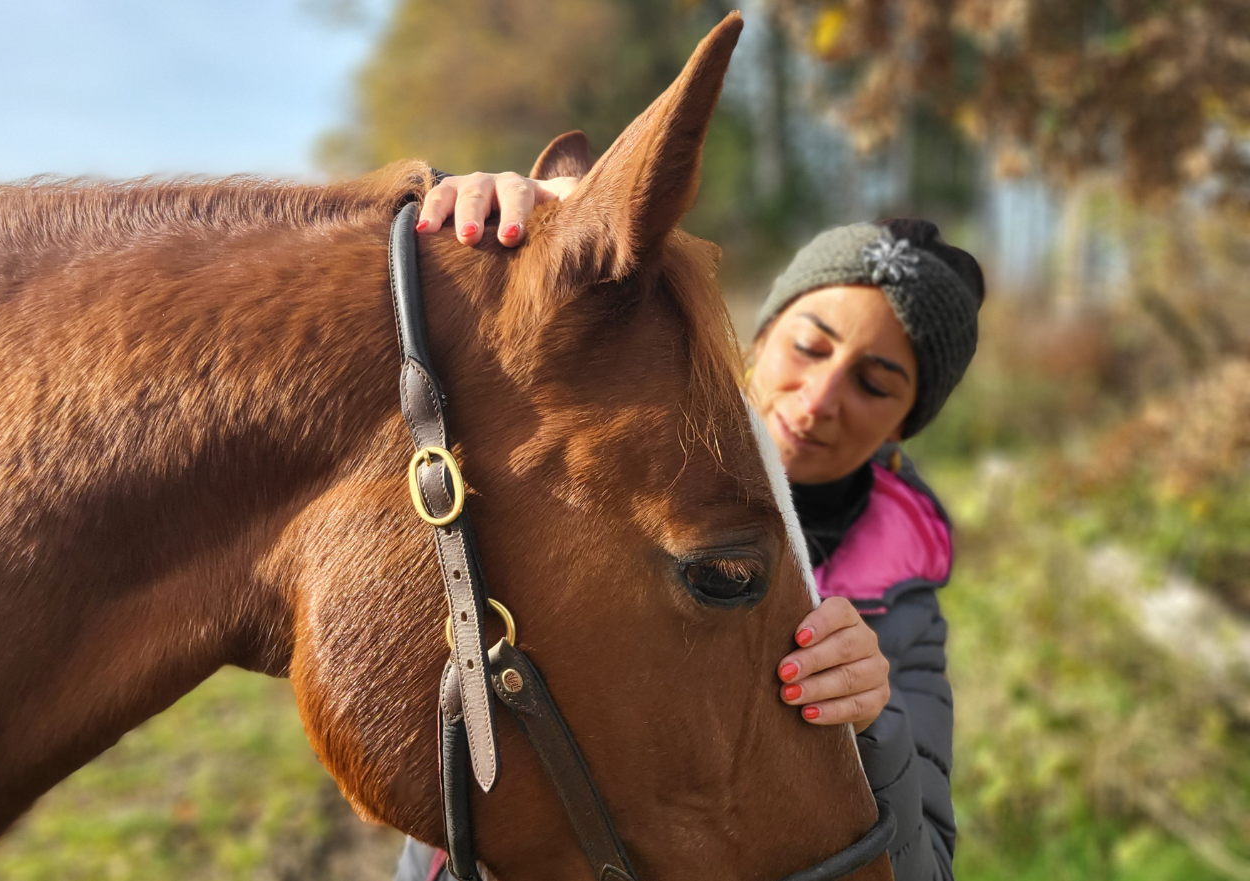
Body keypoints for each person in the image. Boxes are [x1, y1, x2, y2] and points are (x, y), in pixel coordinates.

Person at [395, 172, 984, 881]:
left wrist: (875, 725)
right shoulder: (613, 452)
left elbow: (932, 870)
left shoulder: (901, 613)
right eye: (810, 345)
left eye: (875, 383)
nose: (821, 396)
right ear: (759, 335)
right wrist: (507, 232)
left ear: (905, 425)